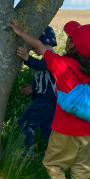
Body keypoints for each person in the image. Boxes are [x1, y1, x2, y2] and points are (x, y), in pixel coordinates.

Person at [9, 19, 90, 179]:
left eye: (70, 38)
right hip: (87, 131)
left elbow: (38, 45)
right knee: (81, 168)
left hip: (64, 129)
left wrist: (19, 31)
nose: (68, 40)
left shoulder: (62, 64)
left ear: (72, 45)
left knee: (53, 163)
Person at [17, 26, 58, 156]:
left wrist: (26, 57)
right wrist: (33, 89)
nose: (33, 48)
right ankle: (57, 156)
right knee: (47, 129)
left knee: (25, 122)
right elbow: (45, 79)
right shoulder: (47, 58)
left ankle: (29, 152)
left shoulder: (52, 58)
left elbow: (42, 67)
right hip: (49, 102)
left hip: (46, 102)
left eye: (34, 44)